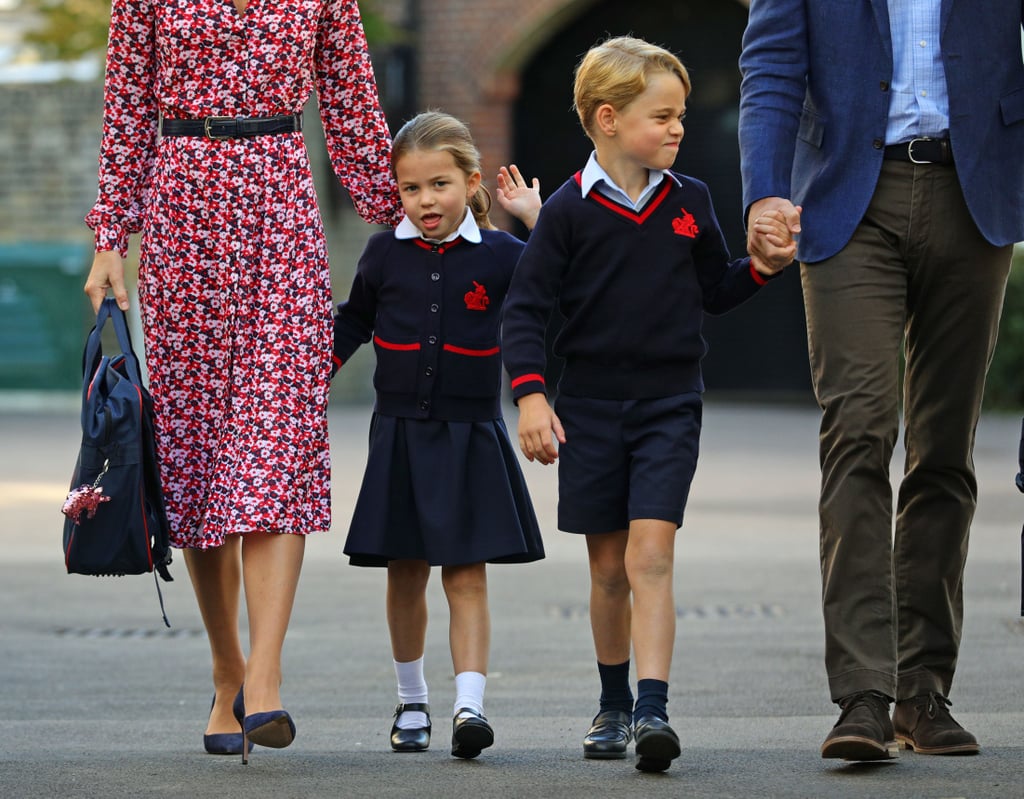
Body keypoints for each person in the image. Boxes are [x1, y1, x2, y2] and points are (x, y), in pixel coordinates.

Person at [82, 0, 402, 762]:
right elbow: (126, 106)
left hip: (280, 205)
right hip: (181, 208)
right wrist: (109, 238)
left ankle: (266, 674)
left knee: (278, 437)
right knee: (195, 453)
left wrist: (418, 220)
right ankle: (227, 666)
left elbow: (355, 104)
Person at [501, 36, 796, 773]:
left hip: (670, 404)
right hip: (591, 407)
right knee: (607, 570)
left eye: (682, 116)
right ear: (608, 118)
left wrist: (761, 268)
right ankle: (613, 702)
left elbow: (716, 289)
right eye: (662, 116)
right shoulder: (566, 211)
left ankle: (654, 708)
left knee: (650, 555)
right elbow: (524, 311)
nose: (678, 129)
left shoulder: (691, 202)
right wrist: (531, 397)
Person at [738, 0, 1024, 762]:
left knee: (944, 448)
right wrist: (764, 187)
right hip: (846, 199)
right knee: (860, 429)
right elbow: (769, 66)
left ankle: (924, 688)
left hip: (977, 194)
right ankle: (863, 692)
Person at [332, 111, 546, 760]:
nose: (426, 200)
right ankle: (413, 699)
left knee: (466, 572)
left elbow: (568, 282)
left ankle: (469, 707)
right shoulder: (382, 252)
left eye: (440, 184)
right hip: (398, 432)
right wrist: (303, 380)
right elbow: (354, 322)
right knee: (404, 571)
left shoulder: (507, 255)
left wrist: (538, 221)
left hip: (471, 433)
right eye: (411, 188)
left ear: (471, 181)